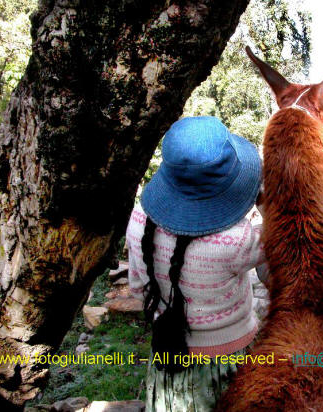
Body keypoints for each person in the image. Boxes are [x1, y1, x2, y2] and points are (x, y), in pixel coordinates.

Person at [126, 116, 265, 411]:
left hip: (168, 358)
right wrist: (262, 198)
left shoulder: (138, 220)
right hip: (233, 361)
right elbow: (283, 235)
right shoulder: (240, 239)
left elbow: (139, 291)